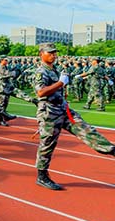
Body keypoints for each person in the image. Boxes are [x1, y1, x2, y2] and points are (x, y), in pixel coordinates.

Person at [34, 43, 115, 190]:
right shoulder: (41, 72)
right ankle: (42, 176)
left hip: (64, 110)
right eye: (50, 53)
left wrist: (64, 82)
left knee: (86, 129)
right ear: (41, 54)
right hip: (49, 113)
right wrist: (60, 83)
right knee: (47, 145)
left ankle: (110, 149)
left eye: (54, 52)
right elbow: (41, 92)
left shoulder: (55, 69)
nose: (54, 55)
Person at [0, 55, 38, 126]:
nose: (7, 61)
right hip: (3, 88)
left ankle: (33, 100)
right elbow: (10, 74)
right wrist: (15, 72)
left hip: (9, 86)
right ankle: (1, 120)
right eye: (5, 60)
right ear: (1, 60)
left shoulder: (6, 67)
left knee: (20, 93)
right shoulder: (1, 68)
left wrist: (17, 71)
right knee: (3, 105)